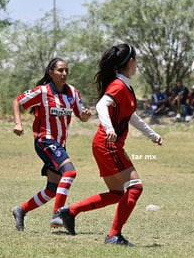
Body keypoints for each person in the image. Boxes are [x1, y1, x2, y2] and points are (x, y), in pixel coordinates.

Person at [57, 43, 162, 246]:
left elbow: (131, 116)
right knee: (135, 187)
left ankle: (70, 212)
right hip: (108, 144)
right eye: (137, 61)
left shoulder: (125, 87)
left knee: (117, 194)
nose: (137, 64)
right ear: (131, 62)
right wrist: (109, 129)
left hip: (104, 144)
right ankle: (114, 235)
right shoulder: (118, 85)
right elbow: (101, 105)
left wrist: (152, 135)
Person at [11, 58, 91, 231]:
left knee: (53, 189)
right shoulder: (42, 91)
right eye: (60, 70)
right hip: (45, 140)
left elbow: (81, 117)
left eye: (66, 71)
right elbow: (17, 101)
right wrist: (18, 123)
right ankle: (58, 214)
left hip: (60, 144)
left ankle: (21, 210)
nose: (64, 74)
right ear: (51, 72)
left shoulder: (72, 93)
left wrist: (86, 115)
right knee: (69, 172)